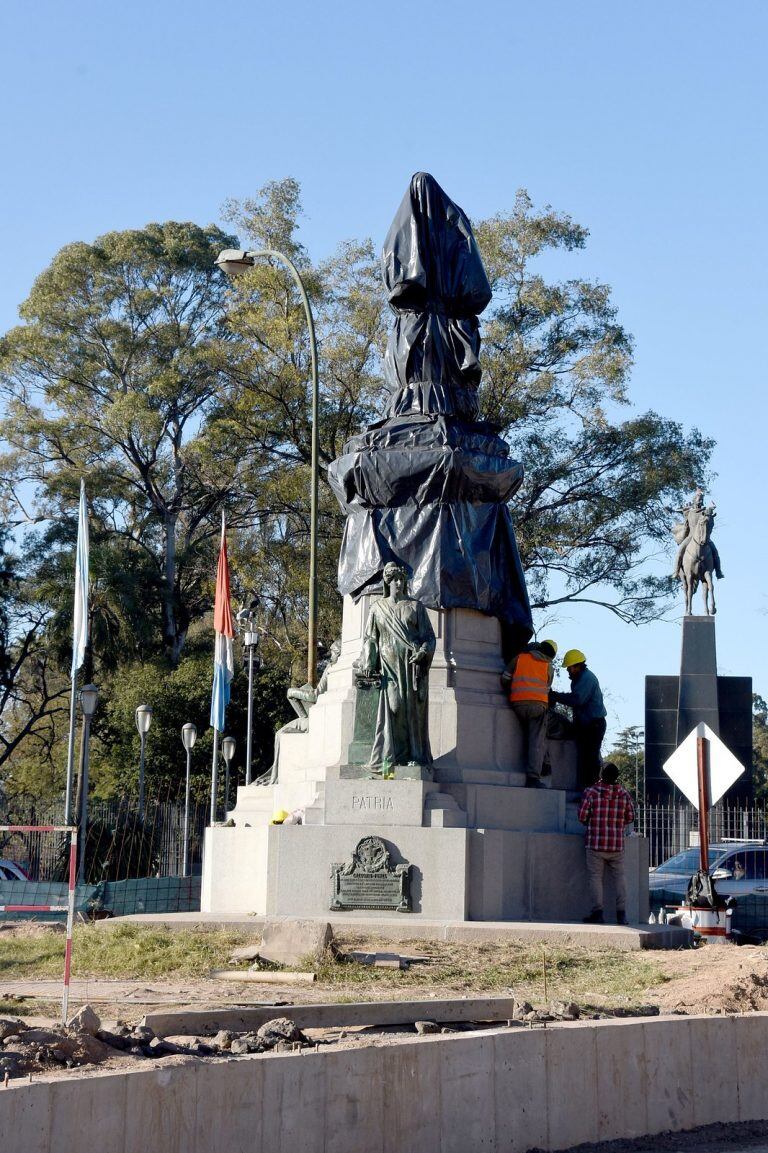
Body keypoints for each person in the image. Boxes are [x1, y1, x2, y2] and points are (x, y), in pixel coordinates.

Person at [356, 562, 436, 770]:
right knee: (395, 705)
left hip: (411, 666)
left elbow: (428, 636)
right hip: (388, 665)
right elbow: (370, 638)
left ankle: (409, 756)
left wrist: (423, 652)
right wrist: (368, 660)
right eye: (395, 580)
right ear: (387, 582)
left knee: (410, 710)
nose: (399, 583)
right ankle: (391, 754)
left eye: (402, 579)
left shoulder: (415, 606)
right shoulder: (377, 608)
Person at [578, 762, 636, 925]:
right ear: (617, 776)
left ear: (601, 775)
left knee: (595, 877)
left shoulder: (591, 792)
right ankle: (621, 914)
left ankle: (598, 912)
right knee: (620, 877)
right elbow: (630, 817)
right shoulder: (624, 794)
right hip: (616, 844)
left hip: (595, 843)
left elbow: (582, 816)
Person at [500, 639, 557, 787]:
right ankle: (533, 777)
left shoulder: (520, 658)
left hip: (517, 704)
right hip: (538, 707)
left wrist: (512, 693)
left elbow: (504, 679)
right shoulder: (548, 666)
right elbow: (547, 688)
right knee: (536, 742)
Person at [549, 648, 607, 786]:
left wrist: (555, 696)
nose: (568, 671)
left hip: (594, 725)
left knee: (590, 759)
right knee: (585, 758)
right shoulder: (579, 679)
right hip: (587, 725)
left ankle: (589, 789)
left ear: (578, 666)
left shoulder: (587, 679)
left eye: (570, 668)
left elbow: (577, 700)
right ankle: (586, 789)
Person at [672, 487, 724, 580]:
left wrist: (711, 508)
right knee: (680, 551)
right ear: (694, 500)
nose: (700, 501)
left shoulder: (704, 512)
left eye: (701, 500)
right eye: (698, 499)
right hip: (691, 537)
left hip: (704, 537)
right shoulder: (689, 512)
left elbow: (709, 515)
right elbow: (686, 524)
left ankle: (718, 571)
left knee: (715, 552)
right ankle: (676, 571)